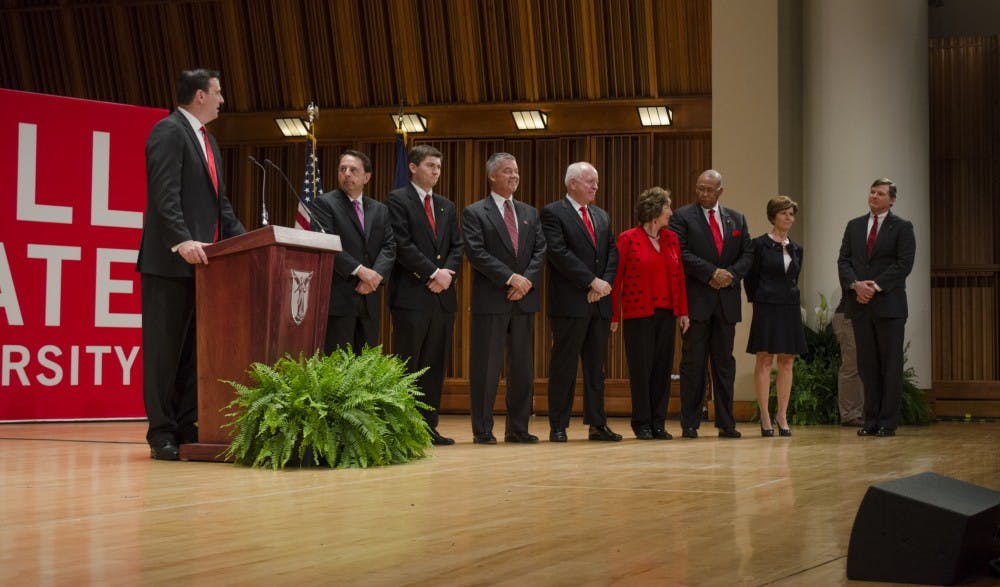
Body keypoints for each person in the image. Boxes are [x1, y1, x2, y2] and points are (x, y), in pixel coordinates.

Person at [137, 68, 246, 460]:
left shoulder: (210, 142)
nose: (221, 100)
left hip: (206, 266)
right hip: (170, 263)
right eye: (218, 92)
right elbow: (164, 194)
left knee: (193, 353)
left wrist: (249, 241)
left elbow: (221, 207)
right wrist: (181, 240)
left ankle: (186, 425)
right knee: (164, 352)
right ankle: (161, 432)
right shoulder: (168, 131)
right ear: (199, 95)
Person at [462, 152, 546, 444]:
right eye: (508, 171)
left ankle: (518, 428)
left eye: (516, 171)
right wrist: (510, 278)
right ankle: (483, 429)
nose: (514, 176)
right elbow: (476, 253)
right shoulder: (475, 212)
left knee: (522, 367)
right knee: (486, 367)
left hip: (523, 300)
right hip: (492, 300)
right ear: (492, 176)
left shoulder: (529, 212)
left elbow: (540, 251)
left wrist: (525, 282)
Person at [386, 145, 463, 446]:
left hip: (442, 297)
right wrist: (433, 273)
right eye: (430, 166)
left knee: (434, 364)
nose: (435, 172)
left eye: (439, 167)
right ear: (413, 168)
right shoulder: (398, 200)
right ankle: (403, 429)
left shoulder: (445, 205)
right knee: (409, 364)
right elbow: (402, 244)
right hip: (412, 296)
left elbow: (457, 246)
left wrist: (446, 276)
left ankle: (428, 427)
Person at [668, 169, 753, 439]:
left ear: (720, 192)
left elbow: (747, 253)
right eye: (700, 188)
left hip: (726, 303)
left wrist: (730, 275)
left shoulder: (736, 218)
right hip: (697, 301)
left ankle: (727, 423)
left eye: (709, 189)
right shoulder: (683, 216)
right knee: (693, 363)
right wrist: (710, 273)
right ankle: (690, 422)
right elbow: (681, 252)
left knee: (724, 364)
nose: (703, 193)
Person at [541, 162, 621, 443]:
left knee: (596, 367)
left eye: (596, 182)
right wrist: (590, 282)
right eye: (590, 181)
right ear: (572, 183)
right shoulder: (553, 213)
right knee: (564, 365)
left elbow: (612, 252)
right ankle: (558, 425)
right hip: (570, 304)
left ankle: (597, 423)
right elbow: (559, 254)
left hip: (599, 302)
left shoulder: (601, 215)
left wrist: (603, 285)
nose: (595, 187)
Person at [610, 187, 690, 439]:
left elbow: (679, 278)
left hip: (667, 313)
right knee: (641, 369)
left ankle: (658, 422)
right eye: (667, 207)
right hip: (638, 313)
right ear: (654, 210)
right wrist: (613, 315)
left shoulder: (671, 239)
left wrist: (683, 312)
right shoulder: (628, 238)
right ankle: (641, 422)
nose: (671, 212)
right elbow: (616, 280)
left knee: (662, 369)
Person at [838, 178, 915, 437]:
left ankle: (887, 422)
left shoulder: (902, 227)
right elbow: (843, 261)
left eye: (880, 193)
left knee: (889, 365)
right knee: (867, 366)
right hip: (860, 306)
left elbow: (903, 264)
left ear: (891, 200)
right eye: (872, 192)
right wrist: (855, 286)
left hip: (889, 306)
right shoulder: (855, 226)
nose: (874, 196)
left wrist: (875, 286)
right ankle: (870, 420)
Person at [312, 150, 396, 355]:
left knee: (367, 367)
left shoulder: (379, 209)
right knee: (339, 367)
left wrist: (375, 276)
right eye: (343, 169)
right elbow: (327, 243)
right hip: (340, 298)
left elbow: (389, 246)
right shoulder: (325, 203)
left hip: (370, 298)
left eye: (353, 170)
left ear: (367, 177)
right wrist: (360, 271)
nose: (347, 174)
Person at [744, 196, 807, 437]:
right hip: (766, 305)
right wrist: (759, 300)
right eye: (784, 213)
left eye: (791, 214)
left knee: (787, 360)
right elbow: (750, 278)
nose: (788, 218)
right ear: (773, 216)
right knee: (764, 359)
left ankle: (782, 413)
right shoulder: (759, 244)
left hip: (789, 305)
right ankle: (765, 415)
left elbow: (794, 277)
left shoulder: (796, 248)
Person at [832, 293, 865, 427]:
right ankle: (850, 414)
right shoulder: (849, 271)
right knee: (852, 366)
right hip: (848, 316)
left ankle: (863, 412)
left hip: (863, 315)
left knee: (864, 366)